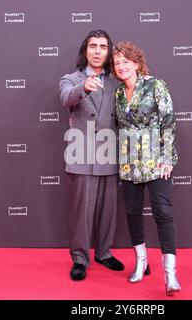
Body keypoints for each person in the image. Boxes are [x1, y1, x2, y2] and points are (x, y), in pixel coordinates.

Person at [112, 42, 181, 295]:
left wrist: (166, 158)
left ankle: (170, 273)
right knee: (132, 212)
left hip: (156, 162)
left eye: (125, 61)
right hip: (129, 163)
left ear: (137, 63)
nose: (121, 66)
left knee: (163, 212)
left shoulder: (155, 85)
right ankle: (141, 263)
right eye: (117, 62)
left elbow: (169, 122)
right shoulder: (118, 93)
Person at [59, 30, 124, 281]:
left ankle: (104, 253)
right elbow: (66, 97)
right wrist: (83, 87)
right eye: (93, 46)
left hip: (109, 153)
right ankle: (79, 259)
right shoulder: (70, 79)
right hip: (81, 153)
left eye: (103, 47)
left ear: (109, 52)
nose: (98, 51)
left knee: (108, 210)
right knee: (81, 213)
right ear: (85, 50)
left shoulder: (116, 81)